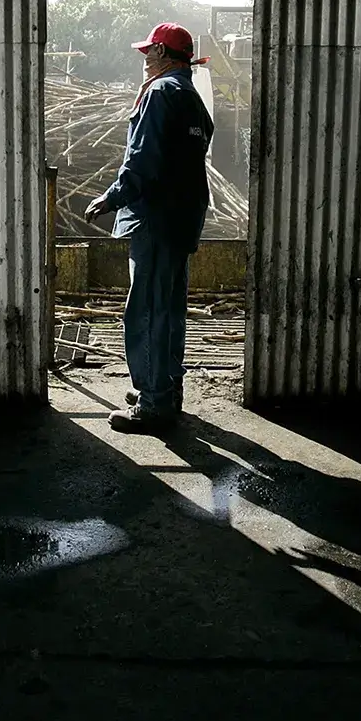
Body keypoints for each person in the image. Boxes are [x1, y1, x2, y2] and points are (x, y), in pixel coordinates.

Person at [84, 22, 215, 430]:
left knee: (147, 311)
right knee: (170, 308)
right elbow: (196, 142)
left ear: (162, 53)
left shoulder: (159, 93)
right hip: (181, 218)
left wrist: (113, 196)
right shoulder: (191, 95)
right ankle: (164, 387)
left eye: (148, 52)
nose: (143, 60)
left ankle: (154, 402)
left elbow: (143, 157)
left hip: (155, 219)